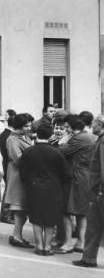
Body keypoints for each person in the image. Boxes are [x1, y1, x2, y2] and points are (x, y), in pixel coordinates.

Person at [19, 123, 69, 256]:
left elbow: (22, 173)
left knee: (36, 218)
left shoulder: (28, 151)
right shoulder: (57, 152)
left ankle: (39, 246)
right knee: (50, 219)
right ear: (50, 135)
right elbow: (65, 174)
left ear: (37, 134)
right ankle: (47, 247)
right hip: (53, 189)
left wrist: (30, 182)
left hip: (34, 188)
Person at [58, 114, 97, 253]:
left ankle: (68, 243)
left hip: (75, 177)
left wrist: (63, 139)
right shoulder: (91, 137)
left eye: (67, 126)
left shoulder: (78, 138)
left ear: (73, 127)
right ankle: (81, 242)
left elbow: (61, 151)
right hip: (85, 176)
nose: (65, 128)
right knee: (82, 212)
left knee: (66, 211)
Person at [73, 114, 104, 268]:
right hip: (97, 191)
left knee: (94, 225)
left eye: (94, 124)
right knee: (93, 226)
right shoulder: (100, 139)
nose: (92, 127)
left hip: (101, 192)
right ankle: (88, 258)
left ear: (100, 124)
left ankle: (89, 258)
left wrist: (101, 190)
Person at [4, 113, 35, 248]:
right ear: (19, 126)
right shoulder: (12, 139)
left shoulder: (24, 136)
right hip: (18, 175)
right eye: (27, 125)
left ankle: (17, 235)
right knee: (20, 207)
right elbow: (18, 159)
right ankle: (17, 236)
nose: (29, 128)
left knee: (22, 208)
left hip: (24, 174)